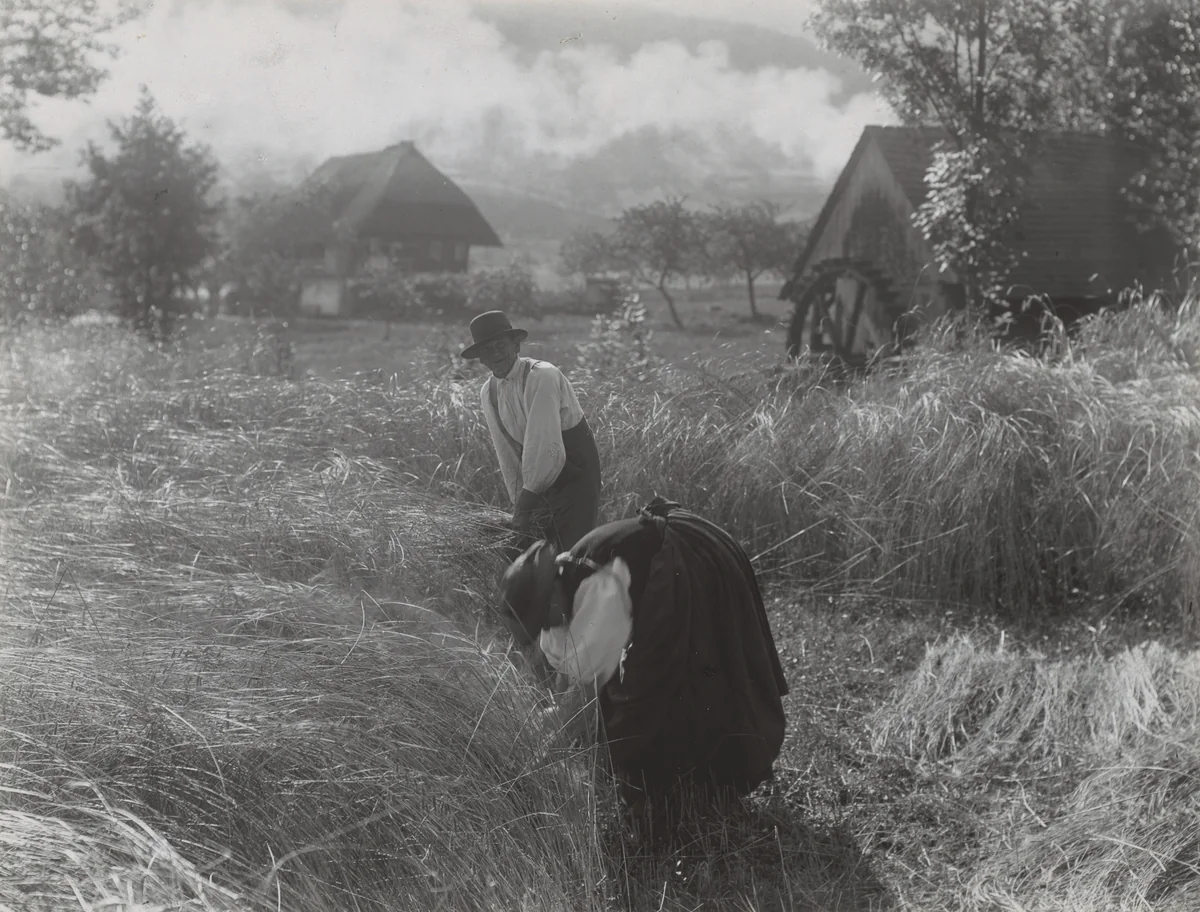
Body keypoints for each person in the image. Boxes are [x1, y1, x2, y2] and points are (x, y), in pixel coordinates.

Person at [499, 497, 790, 812]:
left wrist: (541, 760)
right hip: (660, 561)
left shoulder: (597, 587)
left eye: (543, 620)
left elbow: (586, 698)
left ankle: (703, 787)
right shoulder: (560, 586)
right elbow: (569, 676)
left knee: (662, 682)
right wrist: (554, 721)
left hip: (693, 558)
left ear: (551, 599)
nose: (545, 630)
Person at [462, 310, 603, 559]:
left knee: (569, 556)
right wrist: (519, 506)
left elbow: (546, 446)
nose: (495, 354)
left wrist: (525, 506)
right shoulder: (489, 392)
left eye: (500, 345)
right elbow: (508, 454)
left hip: (574, 472)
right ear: (480, 359)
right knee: (530, 554)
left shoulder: (542, 376)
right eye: (487, 350)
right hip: (536, 477)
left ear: (516, 345)